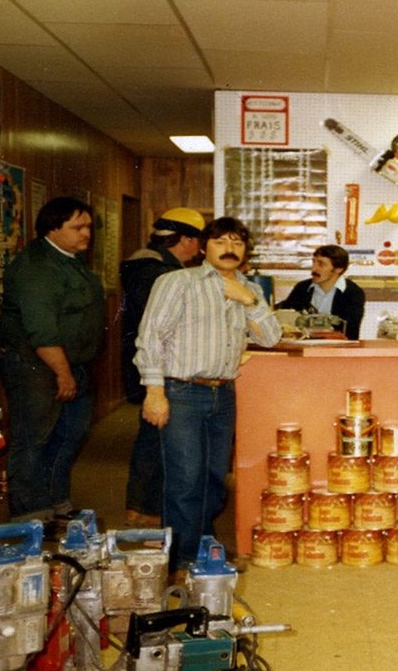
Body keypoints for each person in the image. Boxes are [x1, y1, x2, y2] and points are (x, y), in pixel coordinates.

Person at [135, 216, 282, 570]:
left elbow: (271, 337)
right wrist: (154, 392)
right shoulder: (178, 281)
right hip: (181, 390)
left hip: (223, 394)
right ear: (203, 247)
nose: (229, 249)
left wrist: (248, 300)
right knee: (186, 478)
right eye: (220, 242)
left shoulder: (249, 289)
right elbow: (151, 337)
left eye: (237, 242)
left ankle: (201, 548)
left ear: (246, 251)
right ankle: (184, 558)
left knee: (215, 478)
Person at [0, 196, 104, 524]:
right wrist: (63, 373)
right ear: (52, 229)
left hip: (71, 364)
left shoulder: (69, 259)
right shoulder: (37, 267)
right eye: (77, 227)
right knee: (33, 438)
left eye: (88, 227)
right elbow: (41, 329)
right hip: (37, 365)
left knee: (69, 434)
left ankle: (57, 502)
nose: (86, 233)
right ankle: (29, 514)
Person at [120, 207, 207, 527]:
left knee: (155, 437)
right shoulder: (157, 271)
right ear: (185, 239)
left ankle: (144, 507)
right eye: (198, 240)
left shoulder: (149, 265)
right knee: (157, 439)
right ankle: (146, 510)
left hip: (155, 364)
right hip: (161, 366)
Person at [275, 244, 366, 339]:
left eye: (321, 264)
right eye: (313, 262)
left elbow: (350, 331)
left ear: (339, 269)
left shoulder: (352, 293)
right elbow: (285, 315)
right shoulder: (302, 288)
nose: (314, 269)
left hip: (337, 349)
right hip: (303, 348)